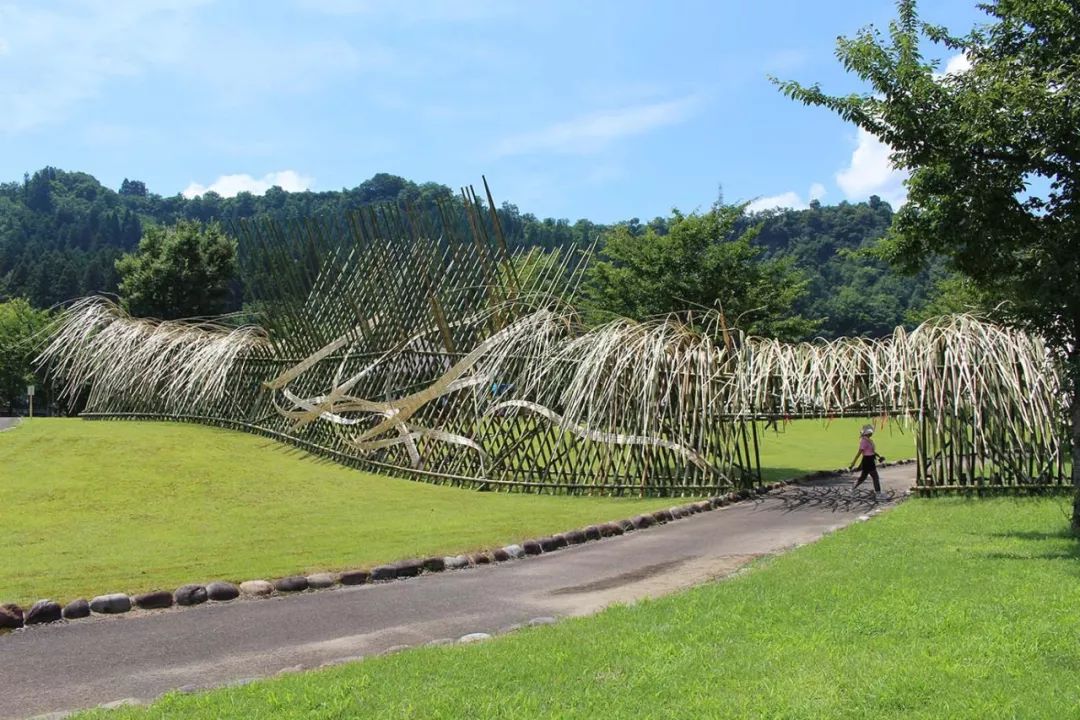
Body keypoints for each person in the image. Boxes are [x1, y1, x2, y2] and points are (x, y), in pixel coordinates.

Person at [850, 424, 885, 498]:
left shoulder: (869, 440)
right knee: (875, 477)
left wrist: (879, 456)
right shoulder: (864, 441)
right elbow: (859, 453)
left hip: (870, 459)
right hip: (868, 460)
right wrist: (853, 462)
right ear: (867, 433)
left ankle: (853, 488)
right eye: (870, 432)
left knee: (863, 477)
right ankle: (878, 494)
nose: (872, 433)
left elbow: (872, 451)